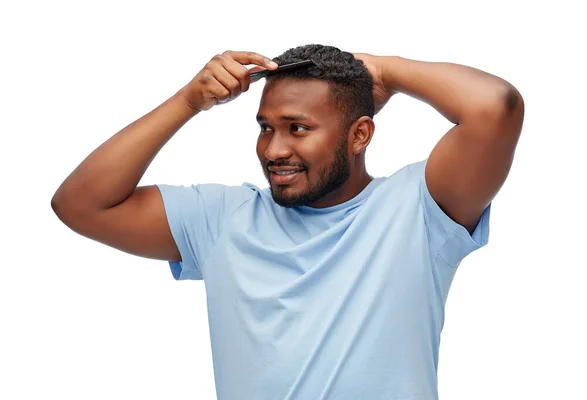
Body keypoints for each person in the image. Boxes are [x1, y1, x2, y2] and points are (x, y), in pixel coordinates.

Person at [51, 44, 524, 399]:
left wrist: (382, 71)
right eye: (265, 128)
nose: (274, 150)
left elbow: (495, 107)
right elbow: (81, 204)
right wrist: (188, 101)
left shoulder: (419, 210)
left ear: (359, 134)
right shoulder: (220, 218)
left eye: (298, 128)